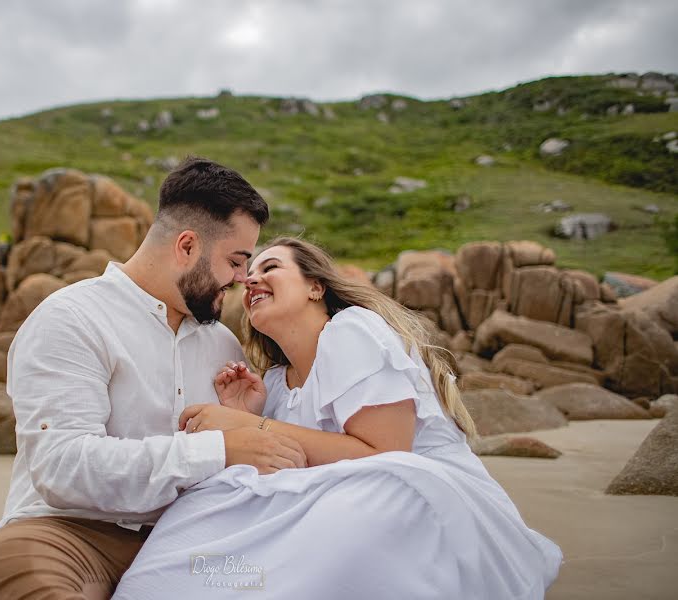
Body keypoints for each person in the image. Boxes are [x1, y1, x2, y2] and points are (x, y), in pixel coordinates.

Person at [113, 237, 563, 600]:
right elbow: (285, 457)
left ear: (315, 287)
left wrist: (250, 428)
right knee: (211, 504)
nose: (251, 281)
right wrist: (244, 415)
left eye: (270, 268)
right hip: (348, 494)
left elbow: (386, 455)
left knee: (364, 502)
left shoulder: (352, 332)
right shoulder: (274, 384)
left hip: (423, 498)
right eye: (247, 275)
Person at [0, 159, 309, 600]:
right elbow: (62, 467)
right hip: (73, 533)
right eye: (235, 262)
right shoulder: (72, 318)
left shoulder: (223, 345)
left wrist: (242, 423)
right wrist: (218, 449)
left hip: (197, 540)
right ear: (186, 246)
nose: (242, 280)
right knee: (3, 577)